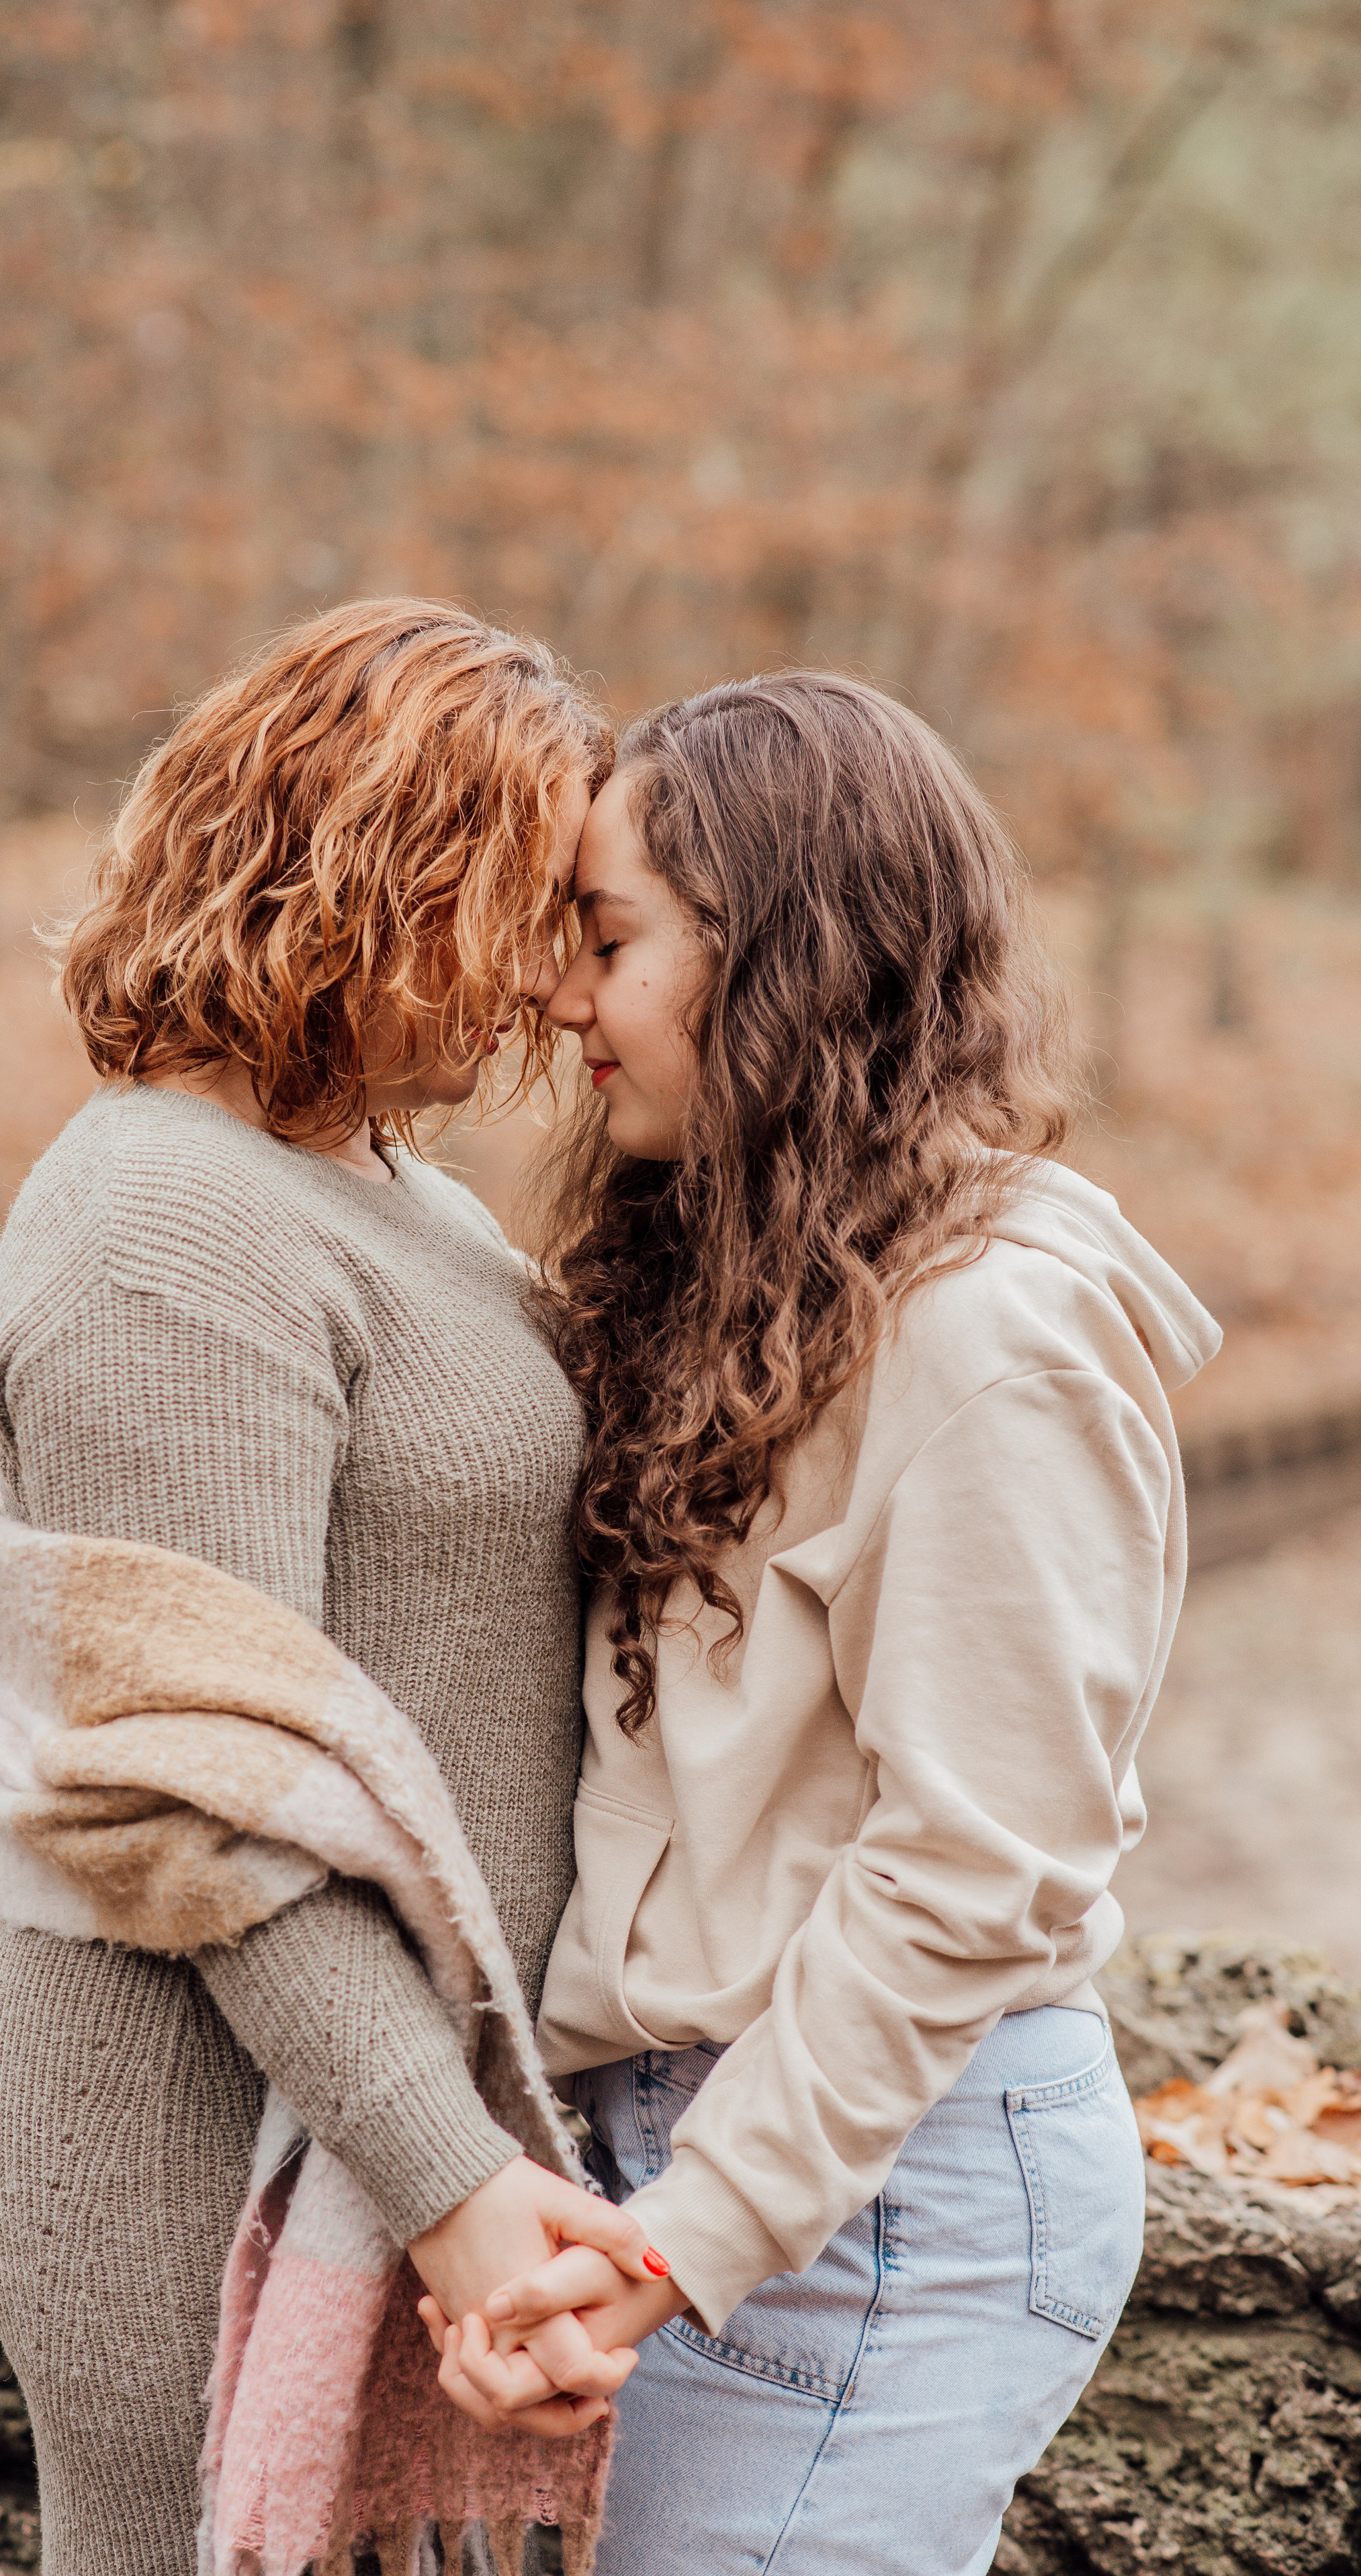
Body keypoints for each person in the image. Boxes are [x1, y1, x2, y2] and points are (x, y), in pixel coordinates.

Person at [424, 671, 1221, 2573]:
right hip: (720, 2157)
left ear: (775, 955)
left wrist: (692, 2234)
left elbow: (973, 1866)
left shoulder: (992, 1335)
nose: (559, 1000)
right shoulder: (746, 1278)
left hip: (878, 2198)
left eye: (607, 940)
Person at [0, 599, 644, 2576]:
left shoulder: (391, 1188)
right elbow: (209, 1793)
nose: (548, 980)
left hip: (372, 2102)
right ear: (367, 869)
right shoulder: (164, 1224)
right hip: (190, 2130)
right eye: (520, 908)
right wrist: (449, 2179)